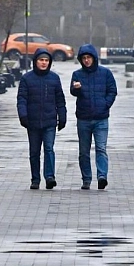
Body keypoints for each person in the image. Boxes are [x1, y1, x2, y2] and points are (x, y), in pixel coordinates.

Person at [17, 48, 67, 190]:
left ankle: (50, 177)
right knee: (34, 152)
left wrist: (62, 116)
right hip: (32, 121)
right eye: (41, 60)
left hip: (50, 120)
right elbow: (22, 99)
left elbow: (60, 99)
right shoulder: (27, 78)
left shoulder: (54, 78)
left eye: (46, 60)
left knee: (49, 149)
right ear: (36, 61)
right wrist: (23, 115)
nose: (44, 63)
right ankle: (35, 179)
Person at [70, 44, 118, 190]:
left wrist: (105, 104)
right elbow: (73, 91)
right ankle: (86, 178)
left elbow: (112, 91)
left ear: (94, 58)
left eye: (88, 57)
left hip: (101, 118)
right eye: (83, 58)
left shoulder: (105, 73)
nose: (86, 60)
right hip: (83, 118)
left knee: (101, 148)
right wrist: (76, 88)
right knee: (84, 151)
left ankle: (102, 176)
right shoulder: (77, 74)